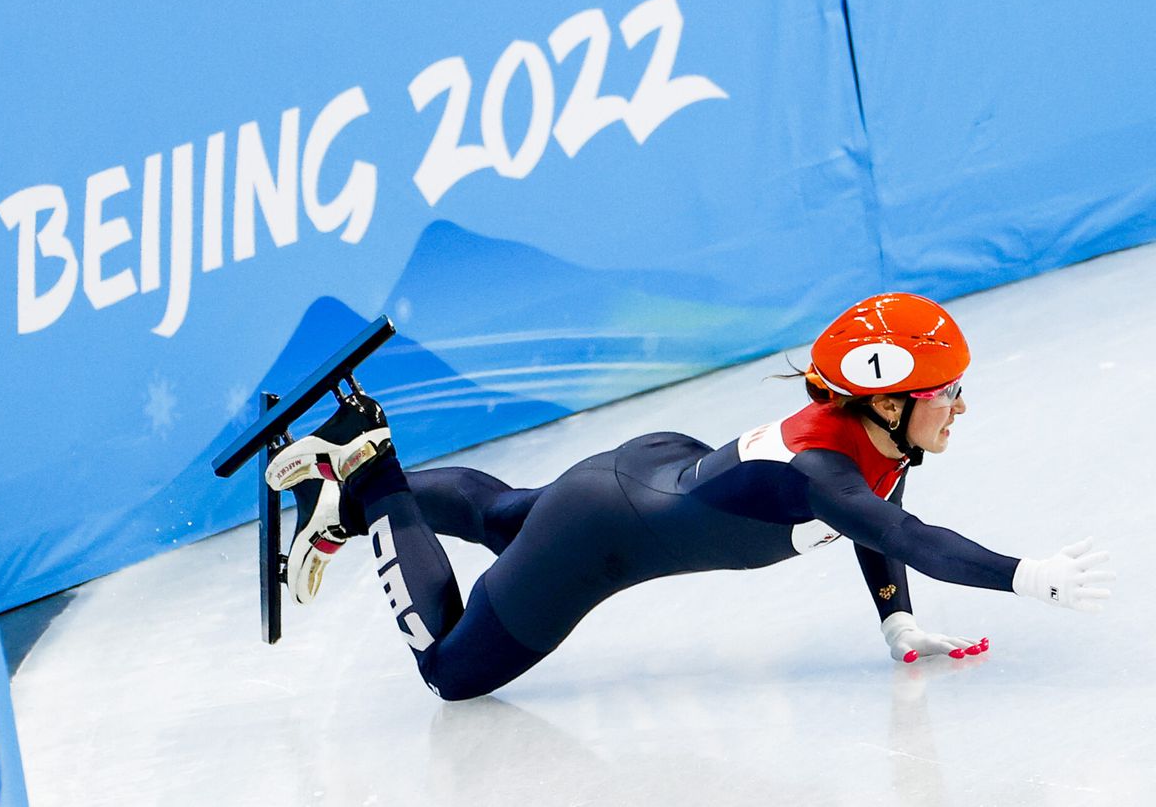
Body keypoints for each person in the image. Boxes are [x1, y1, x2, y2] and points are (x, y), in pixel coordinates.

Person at [264, 293, 1114, 700]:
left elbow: (879, 517)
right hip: (601, 536)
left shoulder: (877, 441)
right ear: (888, 398)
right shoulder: (826, 472)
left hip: (644, 473)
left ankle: (352, 491)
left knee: (499, 516)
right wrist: (1025, 575)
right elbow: (907, 531)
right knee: (450, 670)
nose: (960, 405)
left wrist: (895, 617)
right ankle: (371, 473)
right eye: (947, 391)